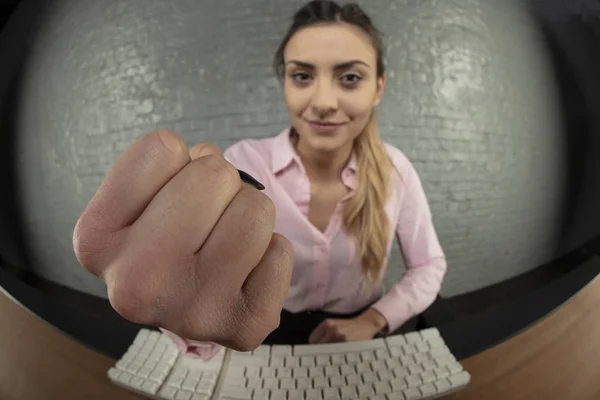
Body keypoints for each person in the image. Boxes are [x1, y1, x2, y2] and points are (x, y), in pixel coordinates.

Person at [73, 0, 446, 360]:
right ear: (284, 81)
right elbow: (210, 281)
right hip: (260, 341)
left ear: (378, 87)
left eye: (350, 78)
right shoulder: (244, 162)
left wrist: (374, 320)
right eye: (302, 76)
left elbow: (429, 266)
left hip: (359, 338)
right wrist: (185, 307)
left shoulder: (396, 169)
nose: (324, 102)